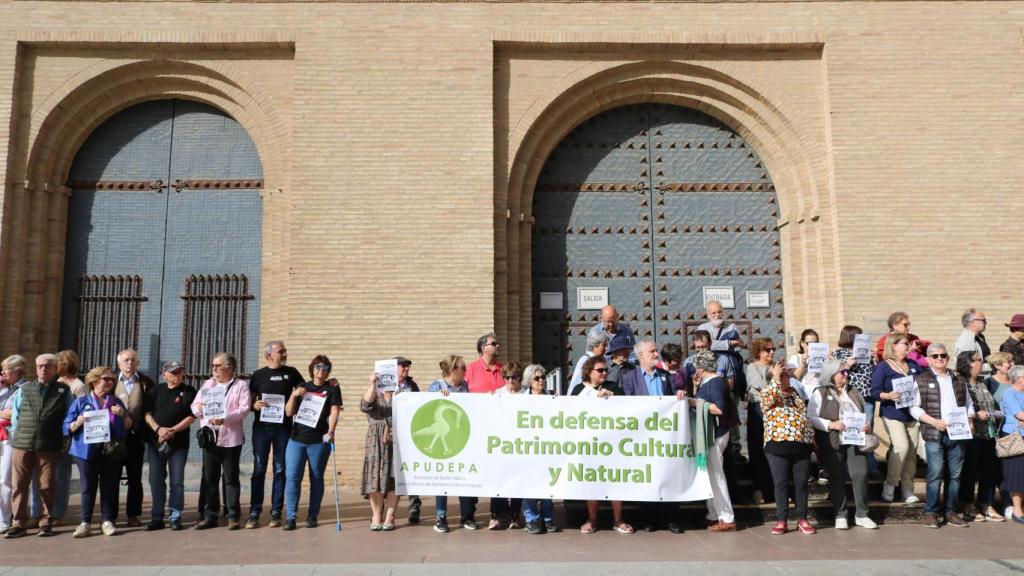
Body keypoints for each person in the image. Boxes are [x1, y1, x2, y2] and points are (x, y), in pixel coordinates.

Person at [4, 354, 72, 538]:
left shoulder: (64, 391)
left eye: (48, 366)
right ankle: (18, 522)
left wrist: (64, 436)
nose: (43, 369)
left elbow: (68, 415)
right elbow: (16, 415)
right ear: (35, 368)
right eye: (40, 366)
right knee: (19, 484)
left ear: (55, 369)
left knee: (47, 484)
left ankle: (45, 521)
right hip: (23, 444)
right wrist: (20, 434)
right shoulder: (24, 389)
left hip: (49, 444)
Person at [620, 339, 681, 533]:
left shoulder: (666, 376)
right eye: (652, 351)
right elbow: (625, 406)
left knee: (667, 475)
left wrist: (679, 395)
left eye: (656, 351)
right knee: (647, 476)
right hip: (643, 438)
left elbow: (673, 402)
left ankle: (670, 518)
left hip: (665, 437)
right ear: (641, 356)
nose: (656, 354)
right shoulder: (629, 378)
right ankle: (649, 518)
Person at [809, 359, 877, 530]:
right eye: (842, 372)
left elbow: (863, 412)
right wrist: (831, 425)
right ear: (831, 374)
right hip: (833, 441)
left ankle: (862, 514)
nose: (846, 375)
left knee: (860, 474)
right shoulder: (821, 392)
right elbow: (811, 416)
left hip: (855, 440)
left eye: (847, 372)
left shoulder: (854, 391)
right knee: (836, 475)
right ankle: (840, 514)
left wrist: (866, 424)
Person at [911, 343, 974, 528]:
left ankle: (951, 511)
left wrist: (969, 418)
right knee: (935, 473)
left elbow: (968, 403)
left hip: (958, 433)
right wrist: (933, 421)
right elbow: (914, 407)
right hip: (934, 432)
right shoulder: (921, 379)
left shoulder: (959, 379)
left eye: (943, 355)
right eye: (935, 356)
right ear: (929, 359)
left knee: (955, 475)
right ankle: (931, 512)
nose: (940, 358)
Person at [64, 366, 130, 537]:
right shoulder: (80, 402)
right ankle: (85, 523)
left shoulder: (116, 402)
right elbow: (66, 427)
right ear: (94, 381)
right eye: (106, 379)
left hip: (109, 450)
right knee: (87, 486)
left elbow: (128, 427)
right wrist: (78, 422)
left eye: (112, 380)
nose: (110, 382)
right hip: (85, 450)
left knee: (109, 486)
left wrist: (122, 414)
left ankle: (107, 521)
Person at [246, 340, 305, 529]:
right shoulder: (258, 375)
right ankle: (254, 512)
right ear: (269, 355)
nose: (285, 354)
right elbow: (249, 403)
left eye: (285, 351)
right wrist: (253, 406)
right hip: (262, 428)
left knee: (280, 469)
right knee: (259, 469)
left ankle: (276, 512)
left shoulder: (292, 373)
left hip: (284, 429)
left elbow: (307, 389)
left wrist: (329, 384)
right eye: (281, 351)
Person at [191, 352, 250, 530]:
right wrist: (200, 409)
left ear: (230, 368)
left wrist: (224, 419)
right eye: (213, 366)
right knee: (210, 478)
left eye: (218, 365)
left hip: (231, 439)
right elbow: (194, 407)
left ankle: (232, 515)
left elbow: (244, 410)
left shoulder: (240, 385)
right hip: (210, 439)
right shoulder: (208, 384)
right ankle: (210, 515)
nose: (214, 369)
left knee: (231, 479)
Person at [283, 355, 342, 531]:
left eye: (325, 368)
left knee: (316, 477)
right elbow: (288, 413)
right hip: (297, 439)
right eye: (317, 367)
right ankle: (291, 517)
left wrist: (331, 431)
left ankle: (312, 516)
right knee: (292, 477)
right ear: (312, 369)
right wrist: (294, 395)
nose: (321, 371)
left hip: (318, 441)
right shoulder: (302, 387)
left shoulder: (332, 389)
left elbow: (334, 411)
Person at [573, 355, 631, 534]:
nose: (605, 373)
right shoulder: (578, 389)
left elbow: (628, 406)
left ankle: (618, 519)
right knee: (592, 480)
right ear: (589, 372)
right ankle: (592, 519)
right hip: (589, 443)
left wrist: (612, 397)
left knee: (614, 479)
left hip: (611, 444)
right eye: (600, 370)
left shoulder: (612, 387)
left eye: (606, 370)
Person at [760, 358, 816, 535]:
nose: (786, 378)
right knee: (781, 484)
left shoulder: (796, 396)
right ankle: (781, 520)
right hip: (777, 446)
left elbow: (805, 419)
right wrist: (775, 377)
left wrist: (811, 441)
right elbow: (769, 399)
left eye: (785, 375)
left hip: (801, 446)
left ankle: (802, 519)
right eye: (783, 376)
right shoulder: (768, 393)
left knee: (801, 484)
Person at [142, 360, 197, 531]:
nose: (177, 375)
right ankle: (157, 517)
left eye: (179, 372)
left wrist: (172, 430)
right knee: (156, 480)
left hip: (178, 444)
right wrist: (158, 429)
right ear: (164, 374)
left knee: (177, 481)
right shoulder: (155, 390)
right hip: (156, 442)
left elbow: (191, 415)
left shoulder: (189, 391)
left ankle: (175, 516)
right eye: (173, 372)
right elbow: (147, 413)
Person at [871, 332, 923, 504]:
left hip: (912, 414)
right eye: (904, 343)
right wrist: (888, 395)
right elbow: (874, 391)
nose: (907, 346)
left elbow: (923, 382)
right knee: (901, 447)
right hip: (892, 414)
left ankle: (907, 490)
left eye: (908, 344)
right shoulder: (883, 367)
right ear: (893, 345)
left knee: (911, 453)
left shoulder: (914, 365)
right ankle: (890, 485)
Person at [428, 354, 477, 532]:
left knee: (464, 478)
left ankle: (467, 515)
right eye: (462, 368)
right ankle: (441, 517)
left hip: (461, 439)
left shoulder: (464, 386)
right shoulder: (436, 386)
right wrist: (437, 397)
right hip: (444, 441)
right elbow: (426, 409)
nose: (465, 371)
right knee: (442, 480)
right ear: (453, 370)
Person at [955, 350, 1005, 522]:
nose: (981, 363)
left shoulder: (983, 383)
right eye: (977, 360)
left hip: (989, 433)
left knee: (988, 471)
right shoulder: (960, 384)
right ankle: (967, 503)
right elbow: (957, 408)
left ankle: (986, 503)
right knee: (969, 471)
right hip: (971, 434)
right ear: (967, 363)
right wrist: (976, 415)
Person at [692, 351, 734, 532]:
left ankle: (726, 516)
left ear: (701, 368)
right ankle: (713, 514)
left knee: (716, 475)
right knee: (711, 474)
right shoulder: (709, 382)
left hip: (716, 434)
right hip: (713, 433)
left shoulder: (715, 383)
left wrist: (694, 403)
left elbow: (719, 409)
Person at [831, 325, 880, 476]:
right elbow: (835, 374)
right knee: (850, 429)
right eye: (859, 336)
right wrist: (847, 365)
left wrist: (876, 360)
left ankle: (870, 466)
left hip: (867, 397)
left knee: (866, 430)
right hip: (850, 396)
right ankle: (847, 467)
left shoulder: (866, 354)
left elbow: (872, 373)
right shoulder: (839, 354)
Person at [114, 348, 154, 527]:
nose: (129, 363)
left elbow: (150, 408)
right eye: (126, 360)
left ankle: (133, 514)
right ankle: (110, 515)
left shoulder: (146, 382)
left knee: (135, 478)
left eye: (132, 360)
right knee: (112, 477)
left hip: (136, 437)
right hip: (115, 438)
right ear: (119, 363)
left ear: (137, 363)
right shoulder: (110, 381)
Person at [487, 361, 530, 530]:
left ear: (520, 378)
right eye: (507, 377)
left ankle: (514, 516)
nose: (510, 381)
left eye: (514, 377)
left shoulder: (527, 396)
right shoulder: (497, 394)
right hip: (501, 443)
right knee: (498, 479)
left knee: (517, 480)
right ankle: (495, 515)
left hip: (520, 444)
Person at [522, 366, 557, 534]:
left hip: (548, 448)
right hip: (528, 448)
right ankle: (532, 519)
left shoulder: (552, 396)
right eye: (537, 378)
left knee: (547, 483)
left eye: (543, 377)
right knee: (529, 484)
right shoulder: (521, 399)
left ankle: (548, 518)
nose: (541, 380)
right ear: (529, 381)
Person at [362, 370, 396, 531]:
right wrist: (373, 383)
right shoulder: (375, 393)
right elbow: (365, 405)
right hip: (376, 439)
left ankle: (389, 516)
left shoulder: (400, 394)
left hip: (396, 438)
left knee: (393, 479)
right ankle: (376, 516)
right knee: (374, 478)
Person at [0, 355, 30, 534]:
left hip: (12, 437)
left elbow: (18, 413)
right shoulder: (4, 389)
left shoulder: (25, 389)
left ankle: (4, 519)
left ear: (18, 371)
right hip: (1, 436)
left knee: (5, 478)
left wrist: (4, 413)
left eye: (6, 369)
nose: (2, 372)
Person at [745, 338, 776, 504]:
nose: (771, 352)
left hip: (775, 410)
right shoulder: (752, 367)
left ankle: (774, 490)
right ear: (758, 351)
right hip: (758, 409)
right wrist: (774, 375)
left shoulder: (775, 366)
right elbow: (759, 386)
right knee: (758, 451)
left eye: (772, 349)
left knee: (774, 450)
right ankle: (759, 490)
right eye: (767, 349)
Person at [391, 356, 422, 524]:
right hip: (390, 432)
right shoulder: (385, 386)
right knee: (389, 472)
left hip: (408, 433)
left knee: (410, 470)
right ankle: (385, 509)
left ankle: (414, 507)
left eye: (408, 366)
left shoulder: (412, 385)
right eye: (403, 366)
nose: (406, 369)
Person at [997, 365, 1024, 524]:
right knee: (1018, 476)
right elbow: (1019, 414)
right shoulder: (1009, 393)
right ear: (1020, 379)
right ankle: (1017, 510)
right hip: (1015, 439)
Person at [955, 308, 991, 374]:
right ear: (973, 322)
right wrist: (991, 366)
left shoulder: (979, 337)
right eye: (983, 320)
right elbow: (967, 365)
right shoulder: (965, 340)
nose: (986, 322)